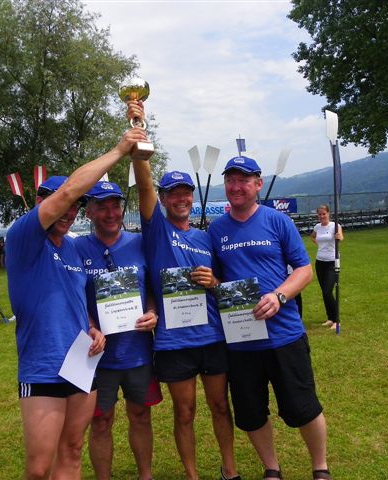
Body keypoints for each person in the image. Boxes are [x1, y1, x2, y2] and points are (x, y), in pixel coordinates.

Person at [5, 126, 145, 480]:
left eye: (74, 208)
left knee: (72, 451)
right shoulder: (24, 237)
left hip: (82, 363)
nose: (68, 212)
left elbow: (75, 300)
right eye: (62, 204)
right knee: (39, 468)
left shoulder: (73, 248)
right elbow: (69, 190)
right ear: (42, 203)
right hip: (42, 366)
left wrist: (93, 328)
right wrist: (119, 150)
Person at [129, 100, 240, 480]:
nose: (181, 198)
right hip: (175, 341)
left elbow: (224, 286)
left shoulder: (207, 237)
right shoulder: (157, 231)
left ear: (192, 196)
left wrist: (215, 282)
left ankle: (229, 470)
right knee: (185, 412)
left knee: (221, 407)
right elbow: (144, 183)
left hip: (212, 336)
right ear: (163, 199)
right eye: (172, 193)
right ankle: (192, 475)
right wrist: (139, 133)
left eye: (186, 192)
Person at [208, 156, 332, 480]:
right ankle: (271, 468)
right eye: (231, 180)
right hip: (242, 341)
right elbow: (217, 280)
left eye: (243, 180)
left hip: (284, 335)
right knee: (251, 413)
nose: (236, 186)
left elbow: (304, 270)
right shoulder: (216, 230)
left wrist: (279, 296)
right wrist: (212, 282)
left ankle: (320, 467)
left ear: (258, 184)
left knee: (303, 406)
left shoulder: (278, 221)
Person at [74, 180, 161, 480]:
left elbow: (152, 287)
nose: (111, 213)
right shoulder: (77, 248)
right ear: (89, 213)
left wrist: (152, 312)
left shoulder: (140, 243)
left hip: (137, 352)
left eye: (115, 206)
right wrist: (90, 325)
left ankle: (145, 476)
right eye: (102, 207)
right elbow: (72, 295)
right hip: (97, 356)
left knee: (141, 415)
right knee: (101, 422)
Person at [311, 204, 344, 330]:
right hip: (320, 261)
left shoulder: (335, 225)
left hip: (332, 261)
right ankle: (330, 318)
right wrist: (320, 246)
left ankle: (337, 320)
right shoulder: (317, 227)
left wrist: (338, 237)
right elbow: (313, 237)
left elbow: (341, 237)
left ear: (328, 214)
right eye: (319, 214)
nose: (321, 216)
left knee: (327, 291)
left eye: (324, 214)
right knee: (324, 293)